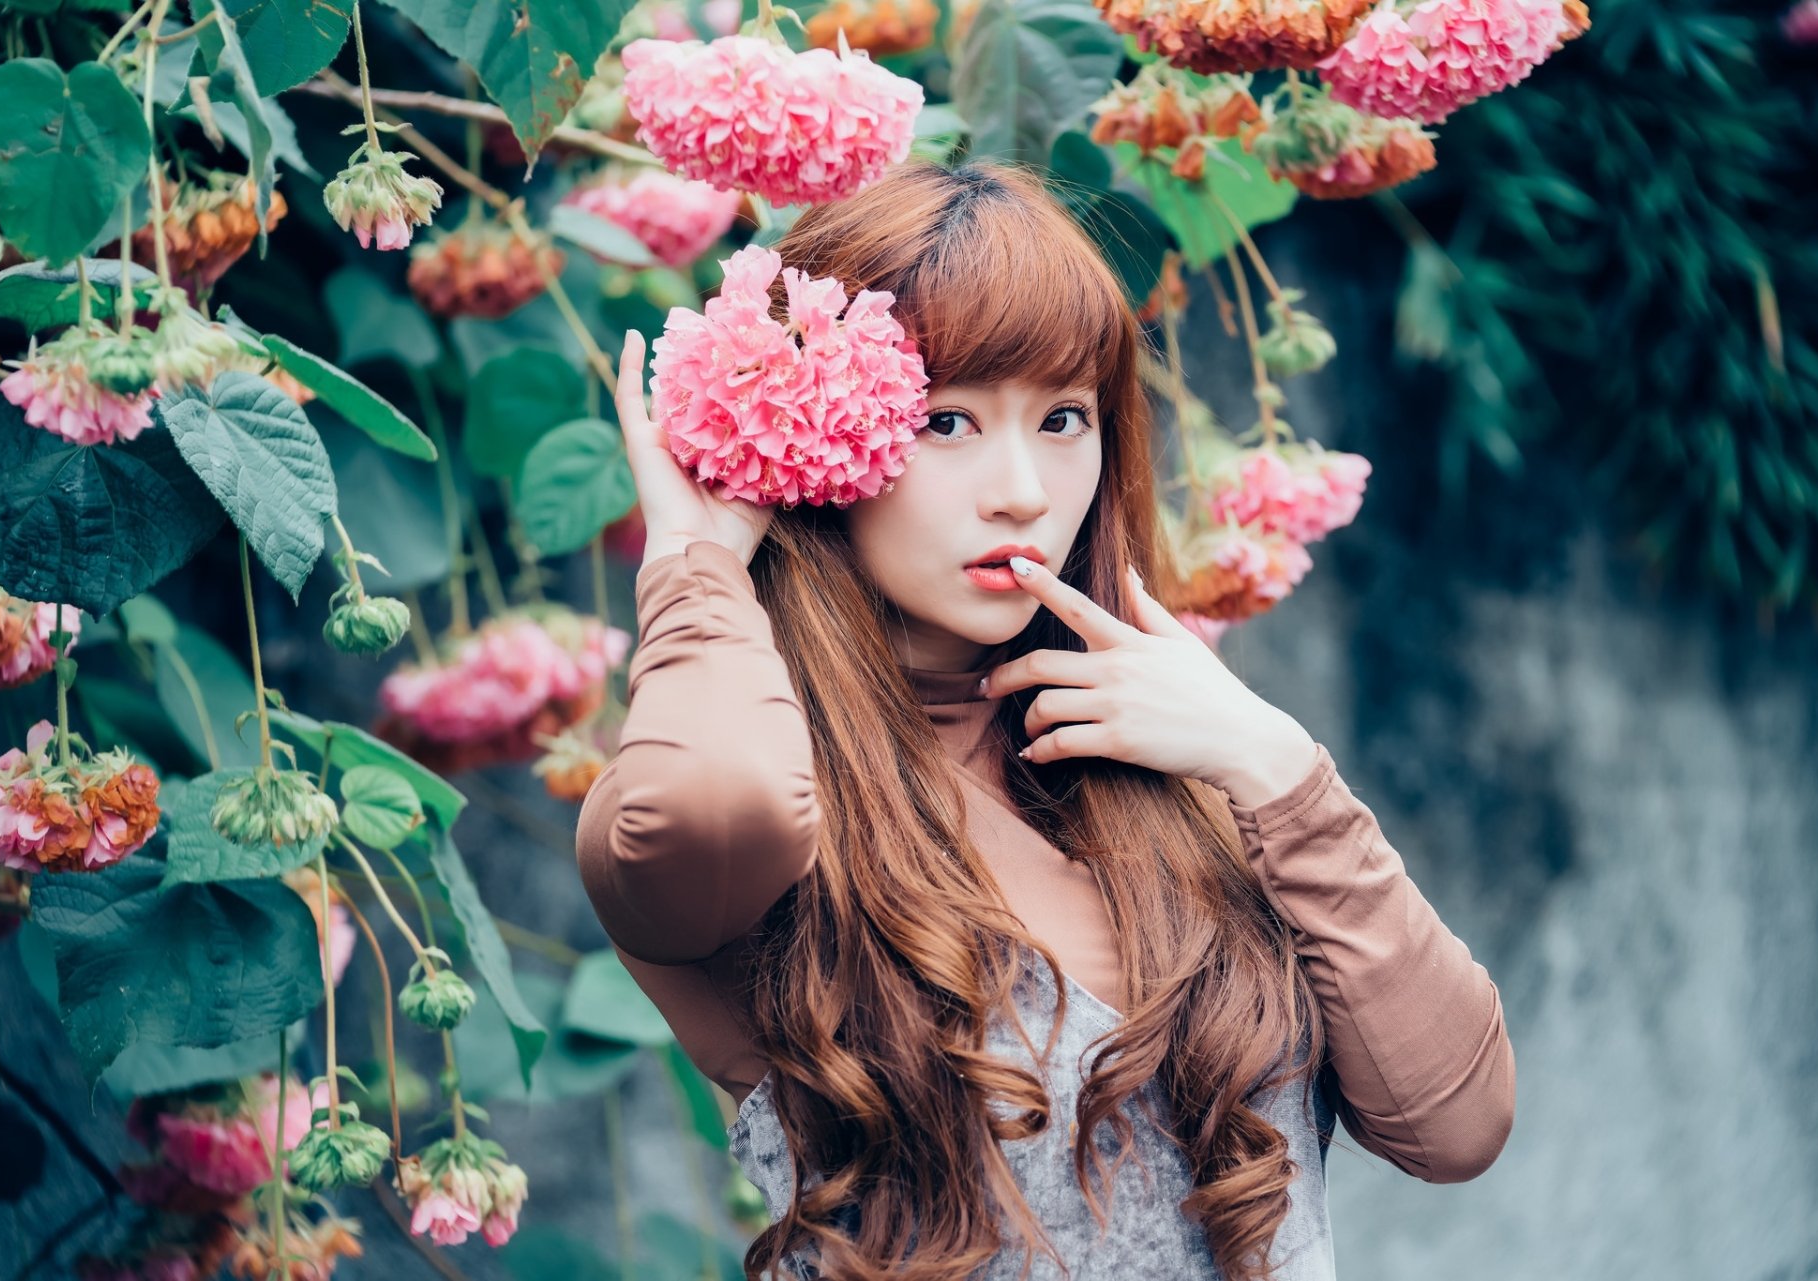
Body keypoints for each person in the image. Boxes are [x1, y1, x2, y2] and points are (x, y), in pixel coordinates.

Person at [574, 160, 1515, 1281]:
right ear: (821, 435)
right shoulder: (741, 804)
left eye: (1064, 417)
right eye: (948, 421)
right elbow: (714, 807)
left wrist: (1275, 765)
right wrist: (696, 562)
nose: (1022, 488)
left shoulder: (1187, 769)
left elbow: (1456, 1127)